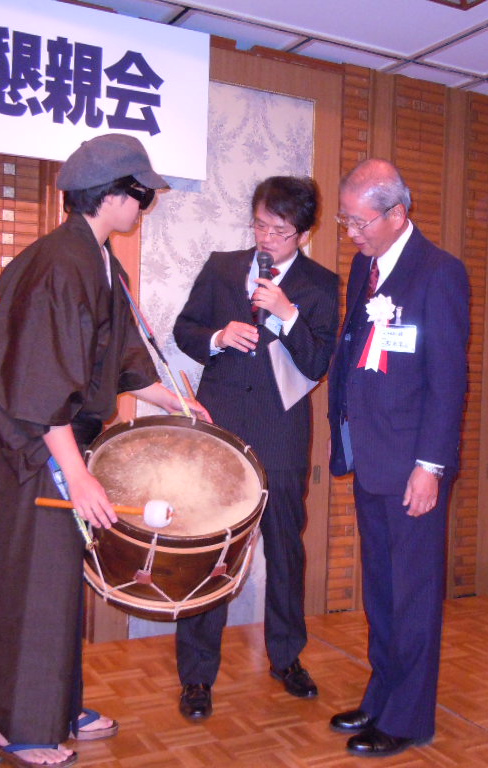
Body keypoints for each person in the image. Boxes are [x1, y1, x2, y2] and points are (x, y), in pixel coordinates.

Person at [0, 133, 208, 768]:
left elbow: (120, 356)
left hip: (61, 443)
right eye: (143, 195)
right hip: (40, 450)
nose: (144, 206)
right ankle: (19, 728)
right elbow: (42, 381)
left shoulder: (97, 259)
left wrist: (173, 401)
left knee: (55, 587)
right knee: (36, 587)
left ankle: (52, 704)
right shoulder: (59, 263)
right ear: (116, 194)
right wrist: (76, 474)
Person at [172, 176, 339, 719]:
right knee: (209, 547)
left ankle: (287, 658)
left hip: (281, 431)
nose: (266, 238)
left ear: (304, 233)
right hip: (220, 424)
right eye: (260, 225)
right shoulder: (222, 267)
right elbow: (184, 329)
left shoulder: (321, 285)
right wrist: (217, 337)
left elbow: (318, 362)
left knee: (285, 547)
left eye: (280, 230)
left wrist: (287, 314)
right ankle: (197, 675)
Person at [326, 159, 469, 758]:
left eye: (359, 222)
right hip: (371, 453)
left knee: (413, 594)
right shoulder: (366, 266)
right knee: (382, 590)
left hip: (413, 464)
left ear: (397, 214)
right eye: (346, 220)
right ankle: (383, 695)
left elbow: (448, 380)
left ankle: (410, 718)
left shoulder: (439, 273)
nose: (351, 233)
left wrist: (430, 466)